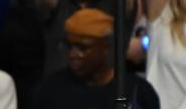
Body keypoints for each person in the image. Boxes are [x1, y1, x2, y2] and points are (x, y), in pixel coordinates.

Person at [32, 8, 161, 109]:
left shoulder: (138, 92)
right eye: (69, 45)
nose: (73, 53)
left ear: (105, 47)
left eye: (83, 47)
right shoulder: (49, 92)